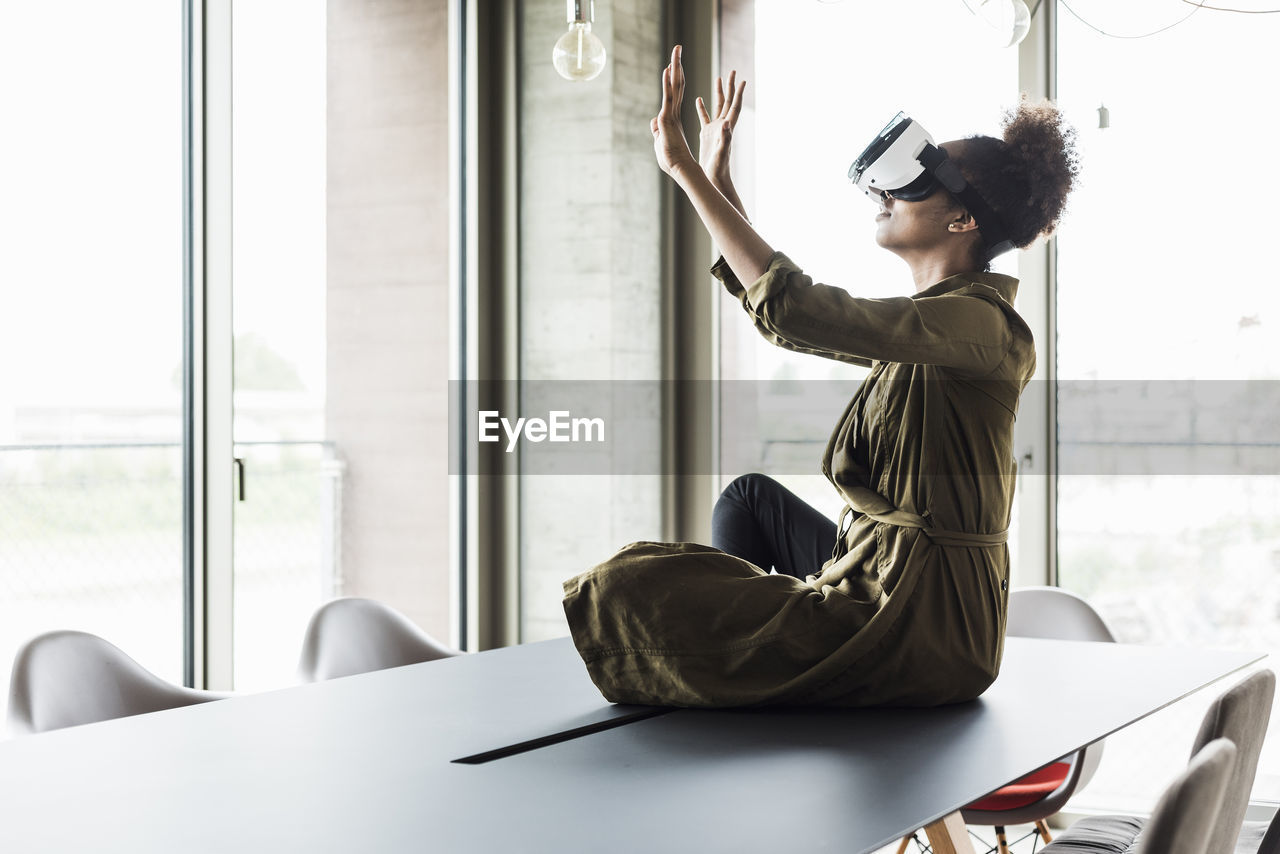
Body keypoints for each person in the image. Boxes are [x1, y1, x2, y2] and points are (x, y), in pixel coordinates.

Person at [562, 45, 1080, 708]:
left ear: (964, 219)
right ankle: (759, 656)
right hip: (882, 564)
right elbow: (785, 320)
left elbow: (798, 308)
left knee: (627, 587)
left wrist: (685, 170)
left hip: (925, 620)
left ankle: (757, 662)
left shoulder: (982, 327)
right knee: (749, 501)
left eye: (914, 182)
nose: (886, 193)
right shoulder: (937, 325)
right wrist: (720, 187)